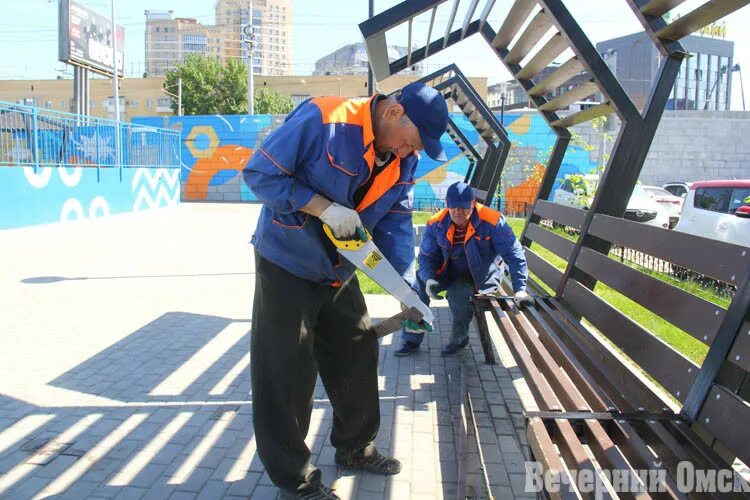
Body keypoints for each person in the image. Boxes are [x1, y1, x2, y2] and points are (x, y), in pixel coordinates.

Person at [242, 82, 449, 499]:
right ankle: (295, 480)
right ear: (392, 113)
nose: (410, 154)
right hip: (287, 260)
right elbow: (259, 173)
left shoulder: (400, 161)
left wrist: (407, 291)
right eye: (411, 144)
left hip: (339, 267)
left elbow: (393, 222)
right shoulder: (324, 117)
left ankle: (355, 448)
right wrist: (320, 206)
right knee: (287, 369)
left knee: (357, 347)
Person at [395, 181, 533, 357]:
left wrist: (520, 290)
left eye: (463, 208)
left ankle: (459, 340)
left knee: (457, 293)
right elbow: (426, 257)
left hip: (479, 274)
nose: (457, 212)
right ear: (447, 205)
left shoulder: (493, 220)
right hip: (446, 270)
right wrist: (428, 278)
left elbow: (514, 254)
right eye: (453, 208)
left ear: (473, 204)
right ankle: (411, 339)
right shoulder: (435, 222)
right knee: (416, 287)